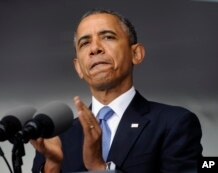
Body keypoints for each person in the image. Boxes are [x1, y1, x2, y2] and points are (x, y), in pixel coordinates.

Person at [31, 9, 203, 173]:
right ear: (78, 68)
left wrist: (100, 168)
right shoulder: (57, 137)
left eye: (107, 37)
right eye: (85, 43)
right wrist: (53, 165)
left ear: (136, 53)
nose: (95, 49)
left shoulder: (174, 124)